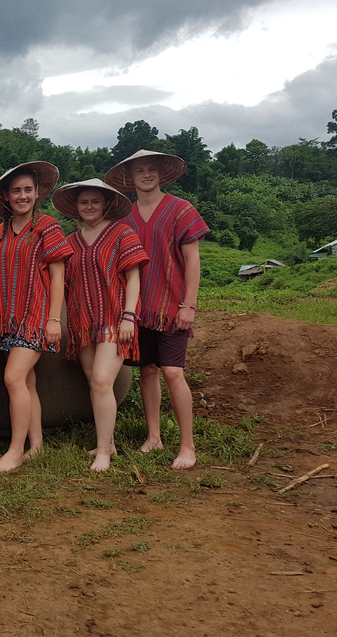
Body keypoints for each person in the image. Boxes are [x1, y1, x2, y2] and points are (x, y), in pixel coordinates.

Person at [104, 150, 210, 470]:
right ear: (130, 177)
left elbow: (192, 260)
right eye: (140, 170)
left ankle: (187, 445)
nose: (147, 175)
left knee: (173, 373)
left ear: (161, 174)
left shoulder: (180, 209)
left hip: (171, 307)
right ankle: (154, 437)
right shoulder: (125, 217)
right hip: (137, 310)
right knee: (147, 371)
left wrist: (189, 305)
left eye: (152, 169)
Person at [0, 162, 71, 471]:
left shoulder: (47, 227)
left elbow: (58, 275)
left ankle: (15, 451)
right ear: (6, 196)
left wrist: (53, 320)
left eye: (28, 190)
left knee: (13, 378)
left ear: (37, 193)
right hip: (8, 319)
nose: (23, 196)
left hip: (36, 318)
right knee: (27, 382)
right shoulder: (2, 230)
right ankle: (36, 446)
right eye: (16, 191)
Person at [52, 179, 148, 472]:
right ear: (76, 207)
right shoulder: (71, 241)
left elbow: (133, 277)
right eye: (84, 202)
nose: (89, 206)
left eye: (95, 201)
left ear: (106, 204)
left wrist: (129, 316)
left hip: (113, 319)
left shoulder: (122, 233)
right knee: (93, 381)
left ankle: (103, 451)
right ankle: (108, 443)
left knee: (102, 381)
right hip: (82, 322)